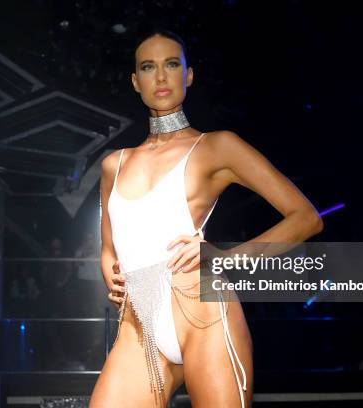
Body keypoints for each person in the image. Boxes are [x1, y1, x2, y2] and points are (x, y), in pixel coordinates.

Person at [90, 29, 324, 408]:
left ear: (189, 75)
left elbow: (306, 218)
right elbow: (107, 247)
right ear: (136, 81)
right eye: (149, 67)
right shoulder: (113, 165)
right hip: (139, 326)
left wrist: (226, 259)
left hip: (203, 314)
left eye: (172, 64)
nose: (161, 77)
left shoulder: (216, 147)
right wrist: (109, 270)